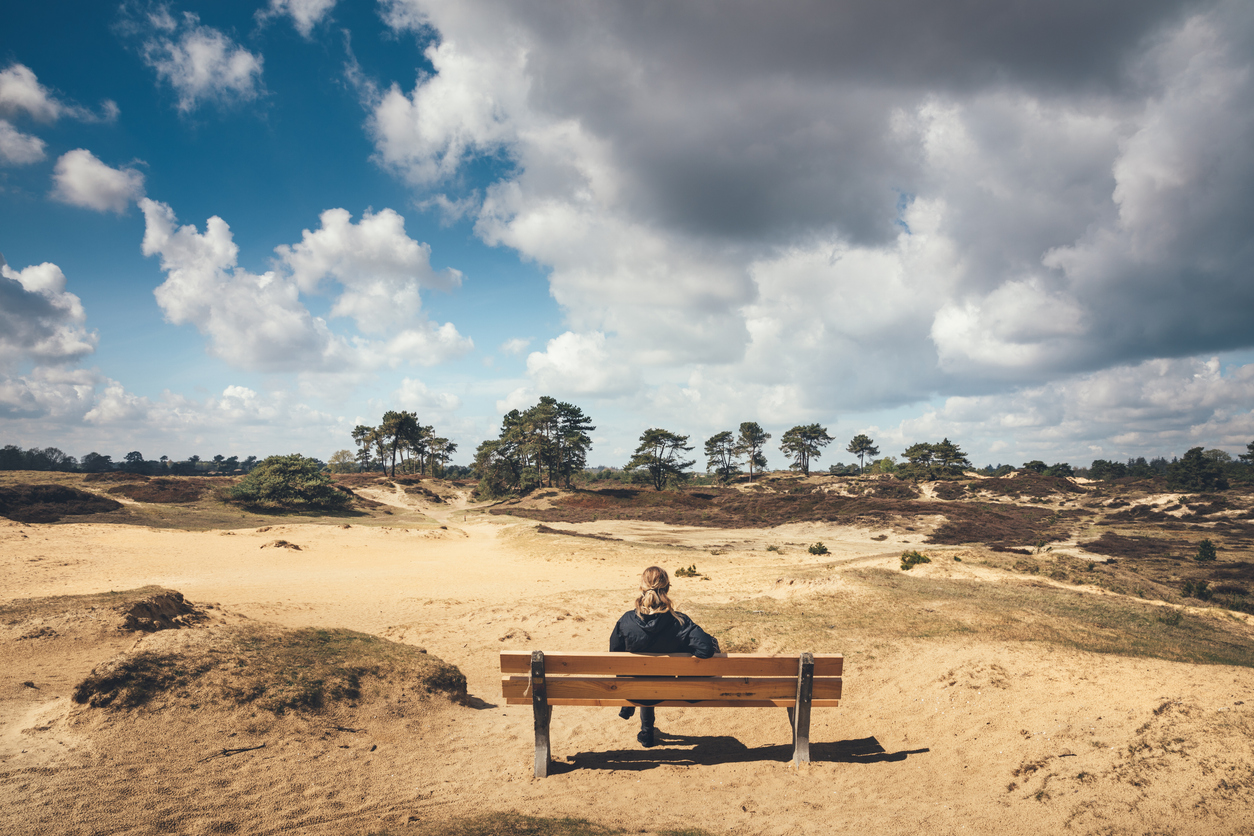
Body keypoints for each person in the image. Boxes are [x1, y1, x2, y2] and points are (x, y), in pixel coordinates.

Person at [609, 565, 718, 747]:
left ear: (642, 588)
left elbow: (614, 658)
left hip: (632, 691)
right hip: (666, 689)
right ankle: (646, 729)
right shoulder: (679, 622)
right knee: (652, 681)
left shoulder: (625, 621)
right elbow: (706, 649)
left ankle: (645, 730)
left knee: (643, 680)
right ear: (667, 589)